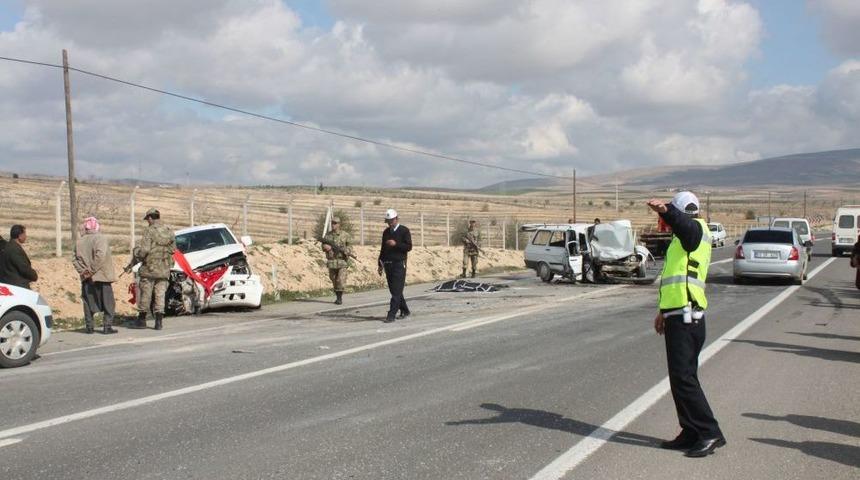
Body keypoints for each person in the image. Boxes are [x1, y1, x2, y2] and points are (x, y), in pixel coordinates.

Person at [647, 191, 725, 458]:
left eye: (671, 216)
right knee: (680, 379)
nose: (666, 223)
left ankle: (709, 432)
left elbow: (686, 226)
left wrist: (666, 210)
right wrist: (662, 312)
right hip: (676, 314)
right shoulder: (681, 239)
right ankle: (690, 431)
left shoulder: (695, 230)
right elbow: (676, 279)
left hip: (688, 316)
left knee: (684, 378)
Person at [72, 217, 118, 334]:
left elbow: (74, 259)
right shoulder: (100, 238)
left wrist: (84, 272)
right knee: (108, 302)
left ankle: (89, 326)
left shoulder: (79, 241)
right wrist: (91, 270)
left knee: (88, 302)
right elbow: (100, 256)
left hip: (86, 278)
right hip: (101, 276)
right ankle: (107, 326)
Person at [132, 208, 175, 330]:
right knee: (160, 294)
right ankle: (159, 322)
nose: (148, 222)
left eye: (148, 219)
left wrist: (137, 254)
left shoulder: (149, 231)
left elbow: (144, 250)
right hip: (164, 268)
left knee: (146, 293)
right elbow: (173, 250)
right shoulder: (169, 231)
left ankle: (142, 320)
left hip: (149, 269)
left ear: (150, 218)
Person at [377, 209, 412, 323]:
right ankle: (405, 310)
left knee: (396, 290)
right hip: (388, 264)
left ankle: (391, 314)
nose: (389, 223)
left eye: (391, 220)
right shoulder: (386, 232)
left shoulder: (404, 231)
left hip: (399, 264)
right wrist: (380, 263)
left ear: (396, 219)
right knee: (394, 290)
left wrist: (396, 244)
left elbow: (408, 247)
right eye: (388, 221)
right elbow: (383, 249)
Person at [322, 217, 353, 305]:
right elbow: (323, 244)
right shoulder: (328, 235)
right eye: (332, 223)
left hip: (342, 261)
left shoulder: (345, 235)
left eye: (335, 223)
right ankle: (337, 296)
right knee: (333, 279)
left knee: (340, 280)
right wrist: (325, 247)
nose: (333, 225)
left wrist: (347, 251)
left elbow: (350, 246)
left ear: (339, 224)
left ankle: (339, 298)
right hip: (332, 262)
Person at [0, 224, 38, 289]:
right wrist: (34, 275)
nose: (26, 236)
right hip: (17, 287)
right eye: (24, 234)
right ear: (20, 236)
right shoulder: (14, 250)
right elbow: (24, 268)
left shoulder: (7, 247)